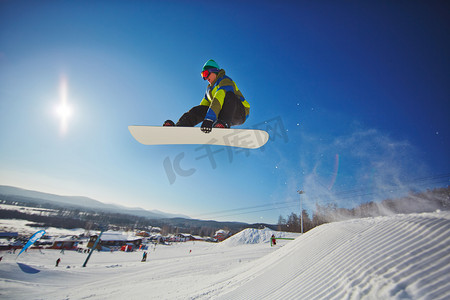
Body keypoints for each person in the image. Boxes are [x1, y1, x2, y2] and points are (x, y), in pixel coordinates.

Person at [164, 59, 250, 133]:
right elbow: (202, 108)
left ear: (214, 71)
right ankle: (180, 126)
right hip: (221, 111)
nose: (205, 78)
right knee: (198, 109)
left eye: (205, 74)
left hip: (239, 112)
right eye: (202, 76)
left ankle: (223, 123)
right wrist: (202, 116)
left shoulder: (225, 80)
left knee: (229, 96)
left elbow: (218, 99)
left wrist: (209, 119)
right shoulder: (209, 90)